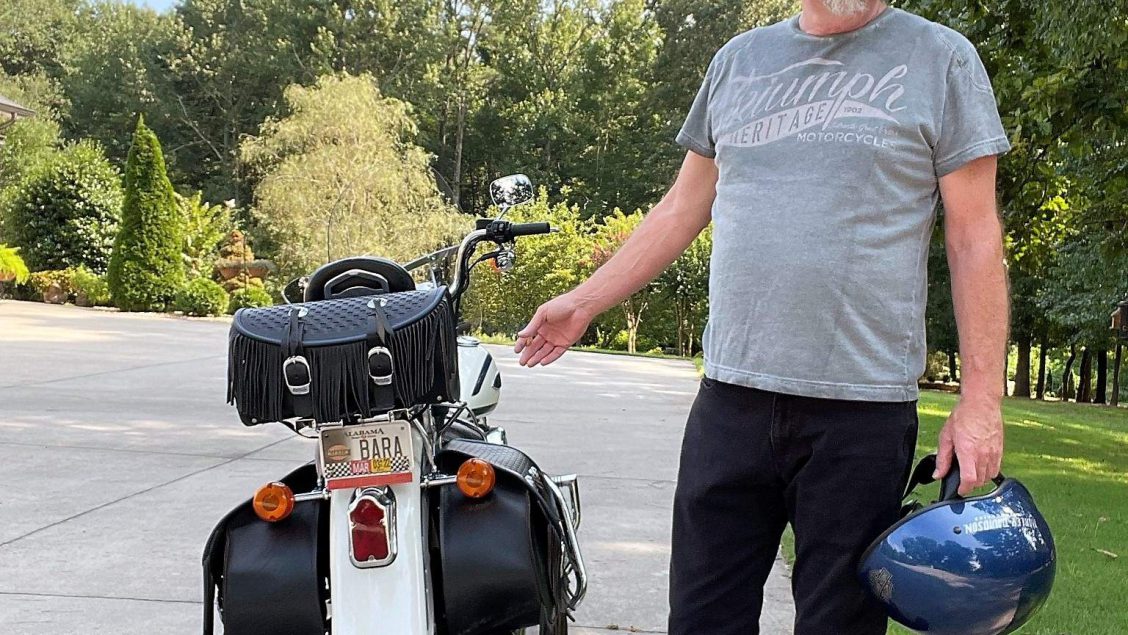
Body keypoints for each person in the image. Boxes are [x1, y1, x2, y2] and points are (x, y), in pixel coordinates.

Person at [514, 0, 1011, 632]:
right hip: (730, 405)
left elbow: (974, 239)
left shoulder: (942, 61)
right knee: (701, 621)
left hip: (861, 414)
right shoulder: (738, 63)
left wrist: (981, 401)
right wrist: (582, 302)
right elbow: (680, 209)